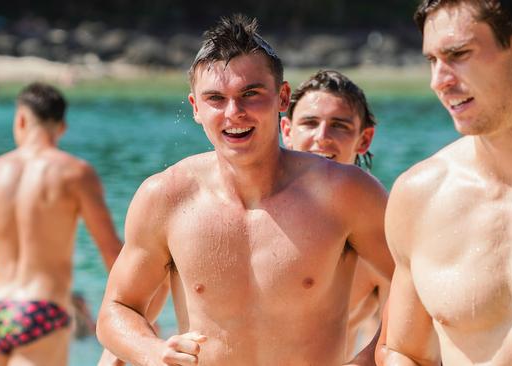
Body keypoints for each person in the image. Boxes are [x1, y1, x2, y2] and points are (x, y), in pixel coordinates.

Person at [97, 14, 394, 365]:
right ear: (195, 108)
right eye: (215, 99)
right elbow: (117, 308)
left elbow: (415, 282)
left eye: (250, 94)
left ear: (282, 97)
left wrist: (370, 358)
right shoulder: (166, 197)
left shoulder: (346, 193)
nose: (233, 112)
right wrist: (152, 351)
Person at [382, 0, 512, 365]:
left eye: (459, 54)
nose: (439, 81)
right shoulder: (419, 196)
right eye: (432, 61)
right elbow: (403, 350)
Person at [0, 82, 123, 366]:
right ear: (62, 128)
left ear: (20, 119)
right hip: (41, 307)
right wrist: (128, 312)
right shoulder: (75, 173)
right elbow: (111, 251)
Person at [280, 69, 389, 361]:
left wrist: (366, 360)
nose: (322, 137)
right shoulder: (245, 214)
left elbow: (416, 318)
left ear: (364, 139)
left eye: (339, 125)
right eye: (310, 123)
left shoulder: (380, 231)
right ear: (287, 131)